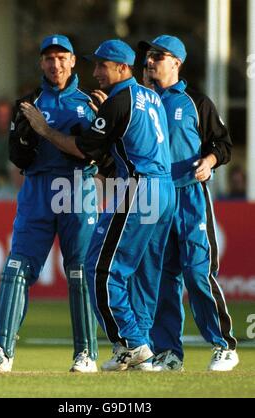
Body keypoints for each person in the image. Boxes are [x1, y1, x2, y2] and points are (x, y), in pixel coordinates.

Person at [21, 39, 176, 372]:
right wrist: (102, 115)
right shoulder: (150, 97)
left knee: (100, 269)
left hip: (138, 188)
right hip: (165, 191)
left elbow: (84, 150)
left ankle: (130, 344)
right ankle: (143, 345)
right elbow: (126, 136)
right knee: (144, 273)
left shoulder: (120, 100)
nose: (95, 73)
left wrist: (44, 129)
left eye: (101, 66)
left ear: (121, 68)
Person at [0, 34, 99, 373]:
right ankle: (2, 351)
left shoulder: (91, 102)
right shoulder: (28, 102)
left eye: (62, 57)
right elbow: (17, 156)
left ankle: (86, 354)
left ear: (73, 61)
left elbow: (98, 151)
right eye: (49, 58)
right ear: (41, 63)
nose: (55, 64)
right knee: (16, 269)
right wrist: (26, 137)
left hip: (77, 188)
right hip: (38, 189)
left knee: (79, 272)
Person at [132, 34, 238, 372]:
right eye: (149, 56)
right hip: (155, 198)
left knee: (197, 273)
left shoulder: (196, 102)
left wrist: (209, 161)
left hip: (190, 195)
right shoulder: (139, 101)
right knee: (164, 278)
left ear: (177, 62)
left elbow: (223, 144)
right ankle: (168, 353)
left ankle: (224, 345)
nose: (150, 61)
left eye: (158, 56)